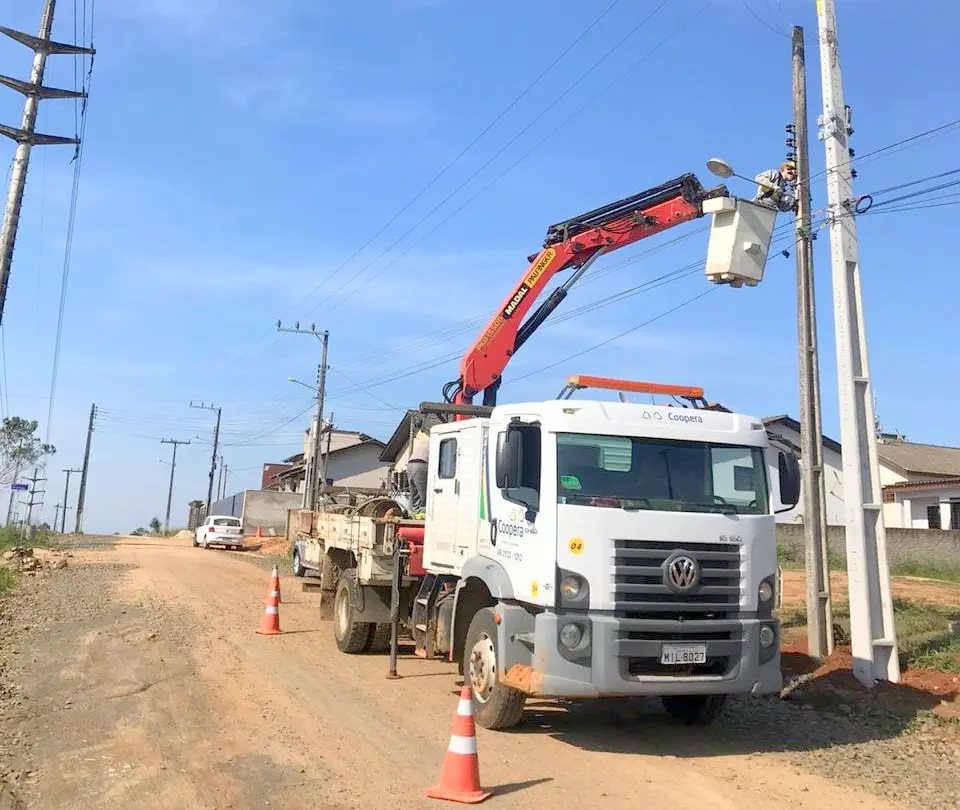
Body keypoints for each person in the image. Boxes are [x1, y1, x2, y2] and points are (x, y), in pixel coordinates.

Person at [407, 431, 430, 514]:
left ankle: (413, 512)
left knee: (414, 493)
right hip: (421, 464)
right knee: (423, 493)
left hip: (410, 464)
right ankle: (422, 514)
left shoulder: (425, 442)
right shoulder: (436, 441)